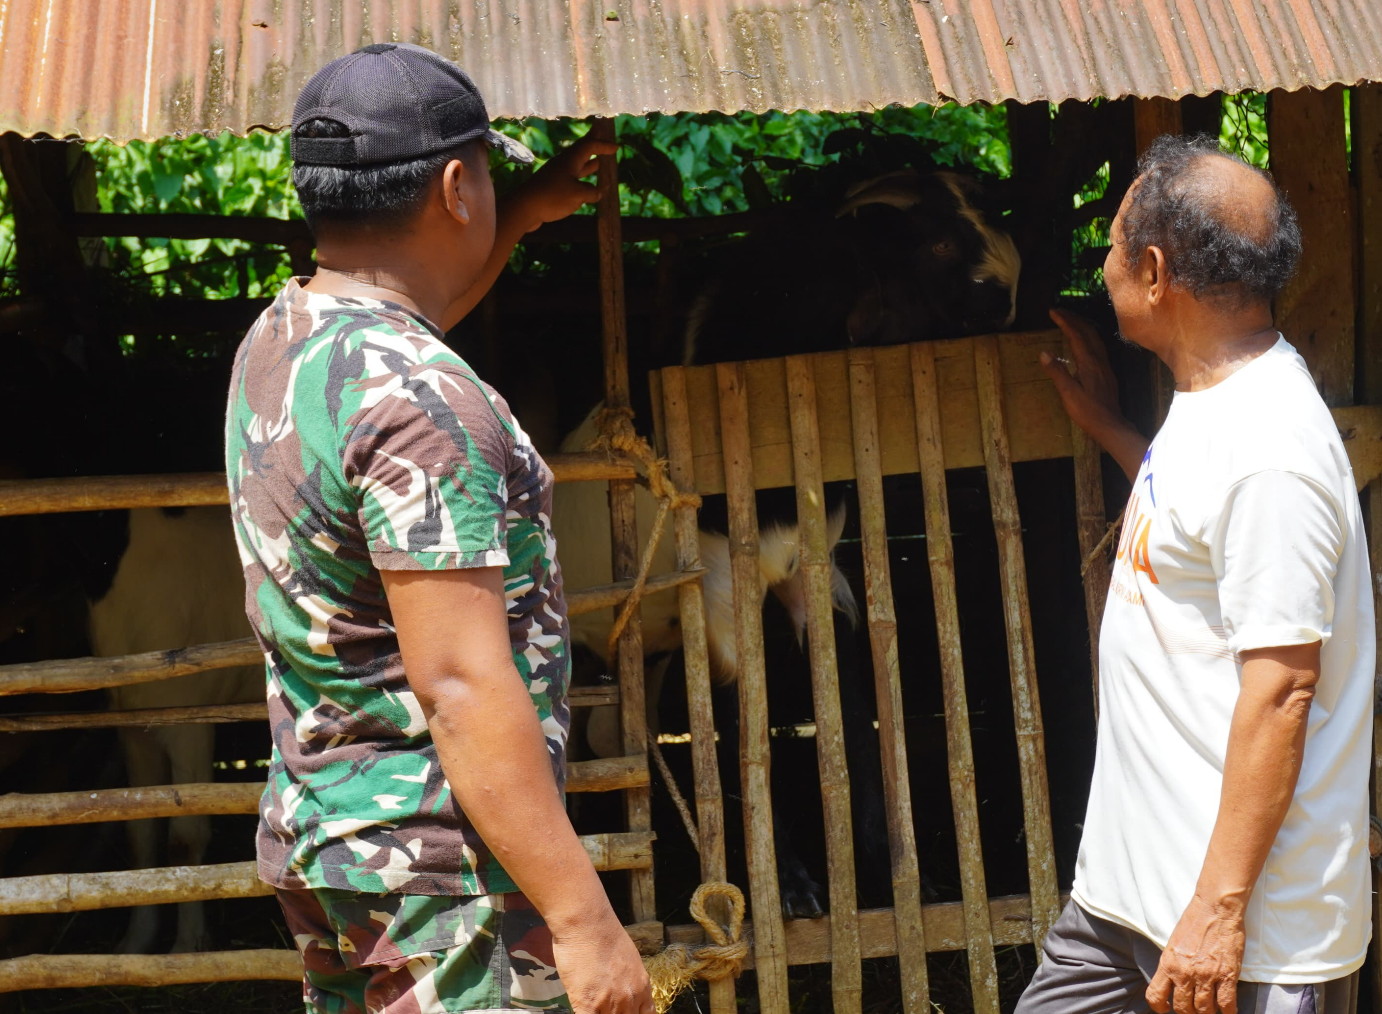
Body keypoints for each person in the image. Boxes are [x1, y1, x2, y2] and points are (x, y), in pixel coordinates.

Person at [225, 43, 653, 1014]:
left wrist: (528, 213)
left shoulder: (285, 343)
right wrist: (584, 921)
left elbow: (414, 315)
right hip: (438, 869)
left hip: (331, 843)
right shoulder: (426, 406)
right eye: (491, 176)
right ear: (457, 186)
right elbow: (458, 683)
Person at [1018, 134, 1373, 1014]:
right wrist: (1109, 428)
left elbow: (1282, 689)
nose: (1098, 267)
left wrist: (1215, 917)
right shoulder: (1218, 400)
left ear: (1152, 270)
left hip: (1244, 937)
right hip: (1124, 904)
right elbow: (1200, 536)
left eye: (1108, 246)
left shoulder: (1269, 454)